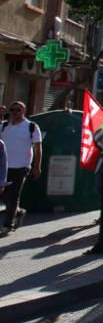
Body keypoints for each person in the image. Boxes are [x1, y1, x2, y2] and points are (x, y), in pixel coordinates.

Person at [0, 101, 42, 237]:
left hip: (21, 167)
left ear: (23, 111)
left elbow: (37, 148)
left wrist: (37, 166)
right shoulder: (4, 126)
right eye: (12, 110)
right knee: (5, 196)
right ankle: (19, 212)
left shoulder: (31, 127)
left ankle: (7, 225)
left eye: (18, 110)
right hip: (3, 167)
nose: (15, 112)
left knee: (13, 195)